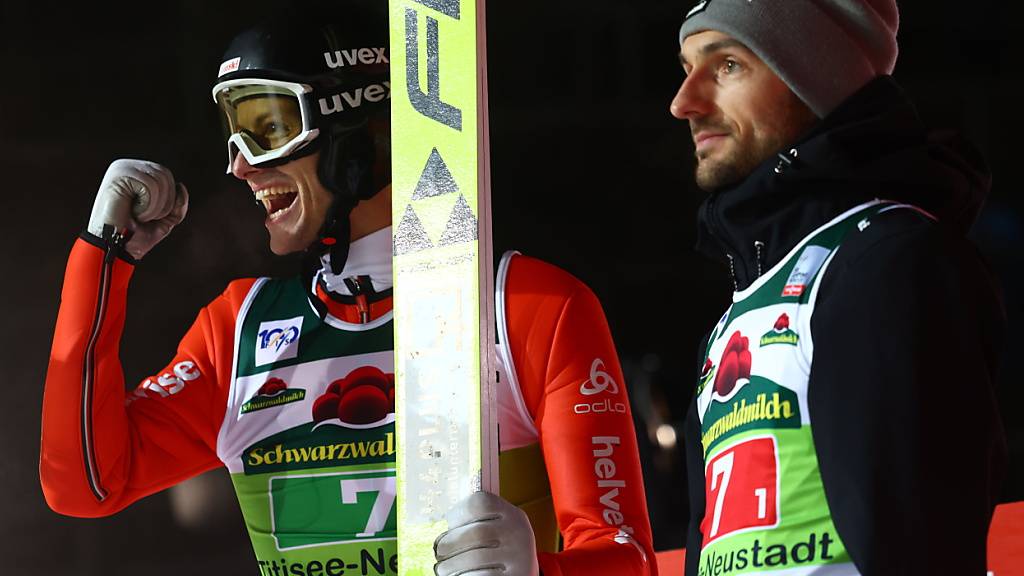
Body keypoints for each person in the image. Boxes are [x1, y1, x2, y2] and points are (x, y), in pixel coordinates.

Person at [38, 3, 656, 575]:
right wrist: (101, 257)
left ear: (354, 123)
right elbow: (84, 484)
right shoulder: (239, 330)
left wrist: (539, 570)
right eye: (234, 130)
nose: (240, 164)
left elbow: (625, 558)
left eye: (268, 124)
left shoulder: (527, 307)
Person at [670, 1, 1006, 574]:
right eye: (687, 68)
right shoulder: (744, 303)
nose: (684, 103)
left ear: (816, 78)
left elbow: (918, 547)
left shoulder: (885, 261)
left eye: (727, 65)